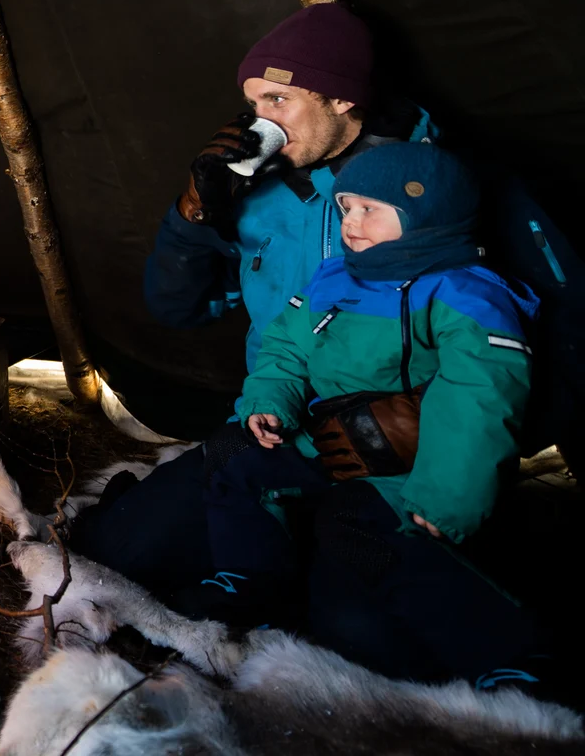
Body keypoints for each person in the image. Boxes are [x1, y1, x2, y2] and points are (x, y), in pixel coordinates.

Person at [73, 3, 432, 589]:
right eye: (255, 102)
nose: (257, 120)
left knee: (356, 619)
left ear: (343, 99)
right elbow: (176, 307)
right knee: (119, 554)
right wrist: (194, 211)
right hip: (273, 430)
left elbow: (540, 336)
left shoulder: (438, 186)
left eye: (278, 101)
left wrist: (430, 417)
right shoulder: (257, 194)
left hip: (388, 456)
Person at [183, 143, 542, 681]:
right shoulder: (335, 277)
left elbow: (479, 399)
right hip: (323, 440)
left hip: (406, 468)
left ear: (427, 213)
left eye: (369, 209)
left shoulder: (465, 293)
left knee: (358, 532)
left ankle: (507, 656)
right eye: (347, 207)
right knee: (233, 452)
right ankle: (251, 582)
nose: (351, 222)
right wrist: (268, 403)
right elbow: (286, 348)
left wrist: (445, 497)